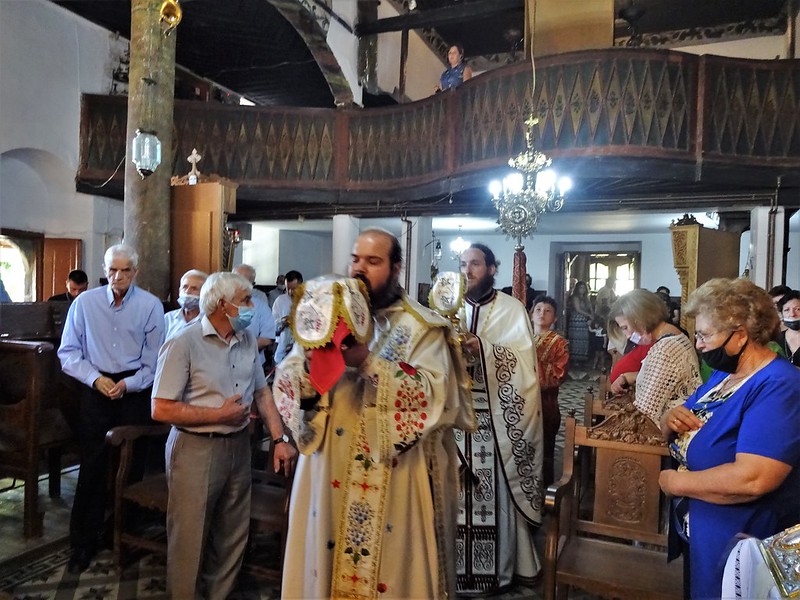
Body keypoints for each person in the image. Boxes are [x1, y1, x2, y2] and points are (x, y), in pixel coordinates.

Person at [273, 229, 473, 599]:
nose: (360, 268)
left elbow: (432, 396)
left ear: (396, 268)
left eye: (373, 261)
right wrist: (309, 369)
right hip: (327, 469)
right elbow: (290, 381)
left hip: (394, 477)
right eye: (356, 259)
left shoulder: (423, 327)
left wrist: (367, 362)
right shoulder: (327, 315)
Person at [152, 271, 296, 599]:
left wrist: (279, 440)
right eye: (245, 301)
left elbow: (261, 392)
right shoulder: (183, 342)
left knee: (233, 533)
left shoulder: (246, 340)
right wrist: (218, 415)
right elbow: (160, 408)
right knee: (190, 538)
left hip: (238, 446)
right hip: (195, 448)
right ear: (222, 304)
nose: (252, 307)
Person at [659, 277, 800, 600]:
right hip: (704, 531)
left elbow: (754, 478)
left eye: (705, 335)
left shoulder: (780, 384)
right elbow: (685, 419)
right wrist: (669, 419)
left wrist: (675, 482)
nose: (698, 345)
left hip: (744, 541)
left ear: (740, 334)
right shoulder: (725, 376)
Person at [57, 244, 164, 574]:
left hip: (134, 391)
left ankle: (120, 533)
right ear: (104, 271)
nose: (118, 276)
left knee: (130, 466)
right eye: (112, 270)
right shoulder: (85, 303)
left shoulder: (150, 305)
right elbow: (68, 352)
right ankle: (83, 543)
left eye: (125, 270)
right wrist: (95, 379)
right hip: (96, 389)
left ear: (136, 271)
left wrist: (129, 384)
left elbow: (154, 360)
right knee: (92, 466)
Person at [457, 243, 544, 594]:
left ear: (492, 269)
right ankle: (453, 570)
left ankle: (497, 571)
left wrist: (483, 348)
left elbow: (525, 366)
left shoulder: (511, 309)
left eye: (475, 264)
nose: (467, 271)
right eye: (463, 264)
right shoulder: (447, 307)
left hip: (495, 420)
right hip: (454, 419)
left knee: (493, 494)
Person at [608, 289, 701, 423]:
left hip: (665, 429)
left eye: (625, 327)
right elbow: (662, 377)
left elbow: (644, 414)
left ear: (640, 319)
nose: (627, 336)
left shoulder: (663, 350)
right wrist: (627, 376)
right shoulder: (675, 336)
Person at [530, 295, 569, 487]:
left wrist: (532, 362)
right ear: (531, 314)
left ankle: (544, 490)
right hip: (521, 403)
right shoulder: (521, 338)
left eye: (547, 311)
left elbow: (558, 374)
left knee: (545, 449)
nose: (542, 314)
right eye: (538, 309)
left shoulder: (559, 343)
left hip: (546, 404)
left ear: (554, 318)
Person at [233, 264, 276, 369]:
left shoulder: (260, 306)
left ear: (252, 284)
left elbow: (267, 338)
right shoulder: (222, 302)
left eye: (243, 281)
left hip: (253, 363)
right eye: (235, 279)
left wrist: (241, 350)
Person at [163, 269, 207, 341]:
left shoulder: (209, 320)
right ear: (179, 290)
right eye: (184, 287)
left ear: (204, 293)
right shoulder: (168, 318)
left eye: (194, 288)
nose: (187, 291)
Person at [271, 269, 302, 367]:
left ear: (301, 285)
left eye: (294, 289)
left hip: (301, 346)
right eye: (288, 288)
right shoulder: (280, 301)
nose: (290, 292)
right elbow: (272, 324)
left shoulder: (307, 300)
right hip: (283, 343)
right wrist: (282, 322)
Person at [567, 280, 593, 364]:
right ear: (577, 288)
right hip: (576, 321)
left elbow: (590, 308)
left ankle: (582, 358)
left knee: (584, 339)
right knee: (576, 340)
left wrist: (592, 316)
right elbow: (578, 309)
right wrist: (589, 315)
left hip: (584, 321)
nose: (582, 290)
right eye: (581, 288)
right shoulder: (575, 297)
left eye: (584, 288)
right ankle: (575, 359)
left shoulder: (586, 298)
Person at [778, 290, 800, 367]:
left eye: (798, 309)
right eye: (787, 310)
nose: (792, 314)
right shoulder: (775, 340)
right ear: (782, 314)